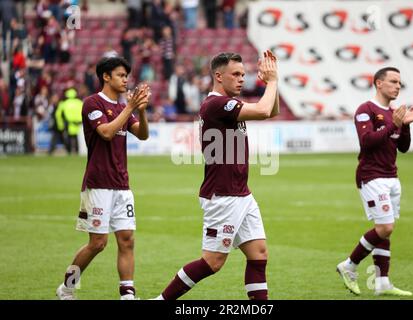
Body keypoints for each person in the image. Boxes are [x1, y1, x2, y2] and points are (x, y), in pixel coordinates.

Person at [153, 50, 279, 300]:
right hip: (223, 195)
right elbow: (264, 111)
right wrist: (272, 81)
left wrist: (273, 81)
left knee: (259, 254)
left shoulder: (227, 104)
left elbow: (271, 111)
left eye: (244, 74)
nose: (242, 79)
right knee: (212, 262)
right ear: (219, 76)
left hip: (241, 193)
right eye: (236, 74)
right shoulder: (216, 104)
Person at [56, 56, 151, 300]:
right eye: (121, 75)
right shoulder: (92, 103)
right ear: (106, 77)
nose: (125, 80)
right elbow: (107, 133)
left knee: (127, 239)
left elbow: (142, 135)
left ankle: (127, 294)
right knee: (98, 243)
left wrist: (140, 110)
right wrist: (130, 107)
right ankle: (67, 286)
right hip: (98, 184)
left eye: (126, 75)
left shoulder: (122, 107)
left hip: (122, 185)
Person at [336, 67, 413, 296]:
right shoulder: (366, 110)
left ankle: (382, 282)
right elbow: (367, 141)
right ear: (378, 83)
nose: (398, 86)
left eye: (400, 83)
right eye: (393, 81)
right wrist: (394, 124)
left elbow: (403, 147)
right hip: (371, 176)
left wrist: (406, 125)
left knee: (384, 230)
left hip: (392, 176)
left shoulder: (395, 113)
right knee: (385, 227)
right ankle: (349, 265)